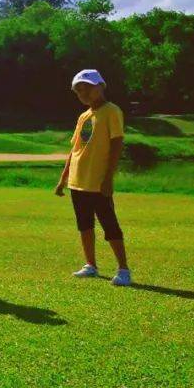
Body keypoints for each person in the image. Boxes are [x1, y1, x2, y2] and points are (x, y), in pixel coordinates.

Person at [54, 69, 133, 286]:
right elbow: (75, 150)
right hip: (77, 182)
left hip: (98, 182)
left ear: (100, 86)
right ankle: (91, 265)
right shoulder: (83, 116)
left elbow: (117, 144)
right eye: (79, 90)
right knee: (84, 225)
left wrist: (108, 178)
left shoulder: (111, 111)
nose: (83, 93)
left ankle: (123, 269)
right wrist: (63, 179)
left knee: (109, 224)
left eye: (87, 88)